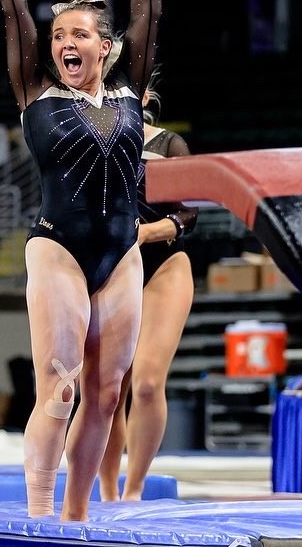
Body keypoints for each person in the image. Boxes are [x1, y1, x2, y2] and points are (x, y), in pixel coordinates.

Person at [0, 0, 188, 520]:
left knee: (105, 397)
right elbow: (13, 12)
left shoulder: (130, 90)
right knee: (59, 389)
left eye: (78, 35)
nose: (64, 43)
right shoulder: (35, 91)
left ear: (106, 47)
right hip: (58, 248)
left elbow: (149, 16)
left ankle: (77, 517)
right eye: (58, 36)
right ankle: (38, 515)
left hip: (121, 252)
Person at [98, 75, 198, 501]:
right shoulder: (91, 143)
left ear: (144, 96)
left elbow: (189, 214)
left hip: (164, 266)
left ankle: (135, 489)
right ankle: (106, 490)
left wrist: (147, 232)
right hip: (112, 269)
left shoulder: (168, 144)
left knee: (146, 382)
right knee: (108, 390)